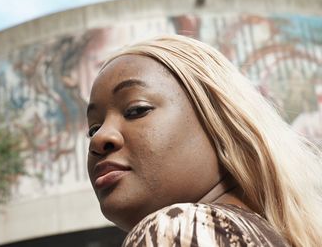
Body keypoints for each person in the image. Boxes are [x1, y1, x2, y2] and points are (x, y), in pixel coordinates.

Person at [86, 35, 322, 247]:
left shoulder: (176, 230)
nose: (99, 138)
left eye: (136, 110)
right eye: (93, 128)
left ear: (218, 124)